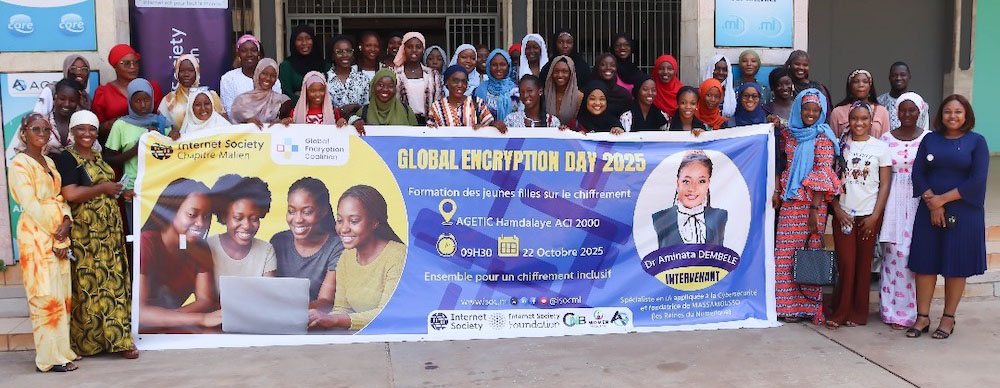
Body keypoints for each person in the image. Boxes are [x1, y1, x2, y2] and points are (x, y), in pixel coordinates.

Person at [53, 110, 136, 359]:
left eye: (91, 129)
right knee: (90, 285)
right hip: (86, 234)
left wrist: (119, 192)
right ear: (72, 132)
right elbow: (70, 194)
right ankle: (90, 343)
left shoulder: (99, 156)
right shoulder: (67, 159)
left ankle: (120, 340)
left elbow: (104, 189)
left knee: (114, 283)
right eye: (81, 129)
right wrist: (103, 188)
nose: (87, 134)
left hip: (108, 232)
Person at [907, 95, 988, 339]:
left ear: (966, 116)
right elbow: (918, 173)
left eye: (958, 112)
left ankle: (948, 318)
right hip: (929, 210)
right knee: (925, 264)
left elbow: (977, 180)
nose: (952, 116)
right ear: (940, 115)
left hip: (964, 212)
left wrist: (942, 200)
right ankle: (922, 317)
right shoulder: (930, 139)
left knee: (956, 265)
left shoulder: (977, 142)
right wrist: (933, 204)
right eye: (948, 112)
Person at [9, 113, 78, 372]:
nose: (41, 133)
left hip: (57, 232)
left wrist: (66, 222)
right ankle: (49, 359)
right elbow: (31, 204)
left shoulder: (49, 160)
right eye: (35, 128)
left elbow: (58, 198)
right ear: (24, 132)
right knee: (45, 297)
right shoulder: (19, 164)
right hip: (36, 236)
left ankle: (63, 350)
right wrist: (57, 234)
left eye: (46, 129)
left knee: (62, 295)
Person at [774, 89, 841, 324]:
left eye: (816, 110)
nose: (810, 114)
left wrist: (814, 211)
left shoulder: (823, 136)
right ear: (798, 110)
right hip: (790, 202)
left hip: (812, 205)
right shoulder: (791, 134)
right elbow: (777, 138)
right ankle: (786, 307)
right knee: (785, 253)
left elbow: (823, 173)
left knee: (810, 253)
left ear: (822, 112)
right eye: (806, 109)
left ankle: (809, 307)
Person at [825, 101, 892, 329]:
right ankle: (840, 311)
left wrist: (875, 216)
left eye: (864, 119)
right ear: (848, 121)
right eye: (855, 119)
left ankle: (858, 312)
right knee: (846, 263)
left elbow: (884, 185)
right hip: (844, 214)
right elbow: (828, 183)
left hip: (868, 215)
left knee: (864, 265)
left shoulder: (880, 148)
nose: (859, 123)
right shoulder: (839, 146)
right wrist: (837, 209)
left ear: (871, 121)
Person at [307, 185, 406, 331]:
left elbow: (388, 313)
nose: (344, 229)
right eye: (340, 220)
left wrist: (334, 320)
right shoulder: (346, 258)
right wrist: (319, 321)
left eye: (353, 221)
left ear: (375, 222)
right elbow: (341, 309)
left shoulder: (397, 256)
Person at [137, 178, 220, 331]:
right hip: (140, 332)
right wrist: (201, 318)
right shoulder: (147, 242)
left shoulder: (200, 248)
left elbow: (205, 300)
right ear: (170, 211)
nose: (201, 223)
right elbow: (139, 314)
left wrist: (167, 319)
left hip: (167, 328)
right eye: (192, 214)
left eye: (207, 216)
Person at [878, 92, 929, 330]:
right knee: (893, 253)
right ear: (896, 112)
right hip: (892, 199)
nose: (907, 115)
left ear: (920, 112)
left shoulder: (929, 138)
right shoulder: (886, 138)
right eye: (902, 110)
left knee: (913, 255)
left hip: (919, 198)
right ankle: (890, 311)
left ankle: (914, 313)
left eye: (912, 110)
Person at [105, 78, 171, 227]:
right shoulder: (121, 125)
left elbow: (171, 155)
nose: (142, 105)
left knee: (160, 234)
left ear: (152, 99)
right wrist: (137, 148)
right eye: (137, 101)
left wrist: (170, 136)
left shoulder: (162, 123)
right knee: (138, 235)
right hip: (134, 189)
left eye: (146, 100)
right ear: (130, 101)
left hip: (160, 188)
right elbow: (109, 158)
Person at [271, 177, 345, 308]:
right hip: (275, 317)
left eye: (307, 212)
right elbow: (267, 291)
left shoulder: (336, 247)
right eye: (291, 211)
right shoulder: (278, 241)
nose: (298, 219)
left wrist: (287, 310)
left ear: (322, 212)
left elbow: (325, 302)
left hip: (313, 321)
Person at [206, 174, 276, 297]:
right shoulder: (207, 247)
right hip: (215, 315)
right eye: (238, 218)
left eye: (254, 219)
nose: (246, 225)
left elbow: (268, 297)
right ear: (224, 216)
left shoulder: (266, 251)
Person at [652, 150, 728, 247]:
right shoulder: (660, 218)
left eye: (701, 181)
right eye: (686, 181)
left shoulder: (720, 216)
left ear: (708, 183)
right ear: (678, 183)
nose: (692, 188)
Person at [92, 44, 164, 145]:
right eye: (126, 63)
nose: (133, 67)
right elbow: (97, 129)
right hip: (116, 146)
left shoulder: (151, 88)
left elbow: (161, 118)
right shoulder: (103, 92)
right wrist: (115, 124)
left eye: (135, 62)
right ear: (115, 66)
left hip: (149, 144)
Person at [7, 79, 91, 160]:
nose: (66, 104)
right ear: (55, 97)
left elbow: (94, 152)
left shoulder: (83, 125)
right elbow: (21, 153)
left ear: (78, 101)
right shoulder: (39, 124)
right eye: (62, 99)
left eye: (72, 100)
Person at [158, 55, 227, 139]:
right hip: (182, 148)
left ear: (197, 71)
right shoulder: (169, 100)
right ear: (176, 73)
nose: (186, 74)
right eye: (182, 71)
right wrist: (170, 133)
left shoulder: (211, 96)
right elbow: (161, 129)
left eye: (190, 70)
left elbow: (225, 125)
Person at [427, 65, 507, 134]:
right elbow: (431, 132)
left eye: (464, 81)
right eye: (455, 81)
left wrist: (492, 125)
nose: (460, 85)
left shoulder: (477, 102)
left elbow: (489, 124)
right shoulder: (437, 107)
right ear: (446, 82)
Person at [220, 35, 282, 117]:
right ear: (238, 54)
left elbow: (276, 108)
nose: (249, 54)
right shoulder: (228, 79)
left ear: (259, 53)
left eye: (253, 50)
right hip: (239, 128)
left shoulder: (270, 79)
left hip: (267, 127)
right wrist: (247, 120)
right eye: (244, 51)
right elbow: (230, 110)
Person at [349, 68, 419, 134]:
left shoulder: (406, 110)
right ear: (373, 86)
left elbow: (417, 137)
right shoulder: (364, 111)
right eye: (380, 85)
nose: (385, 89)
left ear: (395, 88)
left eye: (390, 86)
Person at [394, 32, 443, 125]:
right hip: (402, 124)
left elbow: (439, 102)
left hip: (428, 125)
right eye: (409, 47)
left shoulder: (433, 74)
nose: (414, 50)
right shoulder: (395, 74)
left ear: (423, 50)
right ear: (404, 49)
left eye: (418, 47)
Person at [230, 58, 292, 129]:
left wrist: (283, 123)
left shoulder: (283, 101)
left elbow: (287, 125)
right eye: (264, 73)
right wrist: (247, 122)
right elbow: (234, 129)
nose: (268, 78)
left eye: (273, 76)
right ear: (258, 73)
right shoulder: (240, 101)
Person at [830, 69, 891, 138]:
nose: (861, 85)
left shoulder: (882, 111)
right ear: (850, 86)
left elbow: (886, 140)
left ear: (870, 86)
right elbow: (834, 141)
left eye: (865, 82)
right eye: (856, 82)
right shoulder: (837, 112)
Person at [279, 25, 327, 105]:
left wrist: (301, 93)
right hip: (296, 112)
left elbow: (329, 92)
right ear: (293, 42)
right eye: (299, 39)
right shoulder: (286, 66)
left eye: (308, 38)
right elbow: (286, 94)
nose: (304, 43)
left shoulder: (325, 65)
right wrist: (312, 101)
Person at [878, 62, 930, 131]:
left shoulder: (919, 104)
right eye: (894, 75)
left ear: (909, 77)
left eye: (903, 75)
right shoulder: (879, 102)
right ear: (889, 78)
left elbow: (924, 130)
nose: (898, 78)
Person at [326, 35, 368, 117]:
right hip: (332, 128)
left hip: (359, 127)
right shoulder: (324, 79)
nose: (345, 55)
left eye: (348, 51)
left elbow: (369, 107)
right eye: (339, 52)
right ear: (332, 56)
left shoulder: (363, 78)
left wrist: (355, 107)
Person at [474, 49, 520, 122]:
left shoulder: (516, 90)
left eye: (503, 65)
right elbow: (476, 116)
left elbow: (519, 115)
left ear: (508, 66)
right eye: (494, 65)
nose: (499, 69)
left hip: (512, 132)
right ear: (489, 67)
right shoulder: (481, 89)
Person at [544, 56, 583, 124]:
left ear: (571, 74)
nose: (560, 75)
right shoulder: (544, 95)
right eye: (556, 71)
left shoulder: (579, 97)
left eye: (565, 71)